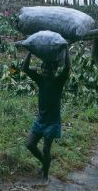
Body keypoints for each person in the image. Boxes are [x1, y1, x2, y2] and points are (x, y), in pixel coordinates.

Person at [22, 48, 71, 182]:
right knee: (30, 144)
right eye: (44, 69)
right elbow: (24, 68)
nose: (45, 71)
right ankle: (45, 163)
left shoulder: (59, 81)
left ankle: (45, 176)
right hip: (41, 120)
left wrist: (67, 51)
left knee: (46, 148)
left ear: (54, 70)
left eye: (48, 69)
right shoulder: (40, 80)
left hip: (52, 122)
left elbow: (67, 68)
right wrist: (30, 50)